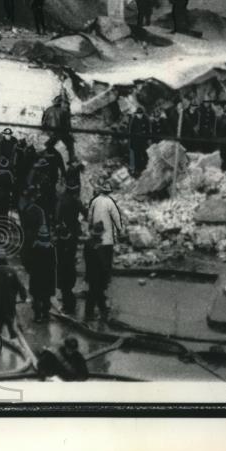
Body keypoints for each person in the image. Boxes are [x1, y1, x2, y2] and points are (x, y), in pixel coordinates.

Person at [85, 180, 123, 321]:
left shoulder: (94, 201)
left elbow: (89, 216)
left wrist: (89, 226)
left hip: (93, 263)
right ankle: (96, 312)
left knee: (95, 290)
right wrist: (119, 229)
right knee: (97, 289)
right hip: (106, 241)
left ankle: (99, 310)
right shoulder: (110, 203)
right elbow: (116, 217)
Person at [22, 190, 55, 322]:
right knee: (46, 296)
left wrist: (30, 269)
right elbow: (54, 263)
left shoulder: (34, 248)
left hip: (36, 276)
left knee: (36, 296)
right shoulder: (51, 249)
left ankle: (37, 316)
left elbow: (28, 261)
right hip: (47, 276)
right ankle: (46, 314)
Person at [55, 173, 84, 314]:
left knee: (64, 262)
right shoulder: (75, 201)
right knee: (70, 258)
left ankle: (68, 304)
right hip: (74, 229)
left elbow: (57, 217)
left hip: (66, 230)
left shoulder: (62, 200)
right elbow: (85, 212)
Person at [0, 253, 27, 353]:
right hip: (9, 303)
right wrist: (23, 296)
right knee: (11, 324)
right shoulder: (12, 271)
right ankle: (16, 344)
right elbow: (19, 286)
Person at [41, 93, 75, 161]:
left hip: (50, 132)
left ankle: (47, 151)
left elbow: (43, 122)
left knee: (51, 143)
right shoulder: (64, 111)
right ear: (60, 103)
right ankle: (71, 160)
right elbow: (67, 125)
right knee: (70, 145)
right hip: (60, 132)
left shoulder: (48, 109)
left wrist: (46, 130)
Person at [126, 106, 150, 178]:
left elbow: (148, 129)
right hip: (135, 141)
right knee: (136, 155)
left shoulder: (145, 119)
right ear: (136, 114)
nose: (139, 115)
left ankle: (145, 166)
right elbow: (131, 131)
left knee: (144, 153)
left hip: (143, 140)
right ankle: (138, 169)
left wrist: (147, 138)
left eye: (141, 114)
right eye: (138, 114)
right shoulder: (134, 120)